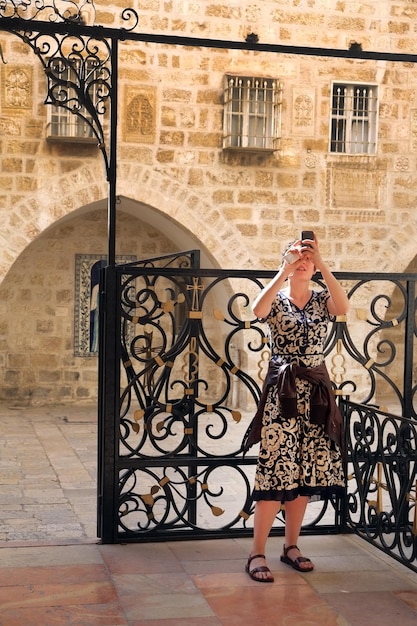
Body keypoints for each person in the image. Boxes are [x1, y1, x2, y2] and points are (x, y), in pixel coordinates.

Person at [244, 232, 349, 582]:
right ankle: (256, 553)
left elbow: (343, 307)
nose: (303, 262)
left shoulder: (322, 299)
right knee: (276, 468)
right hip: (284, 394)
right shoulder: (277, 298)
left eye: (308, 258)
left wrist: (321, 262)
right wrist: (283, 270)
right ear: (287, 262)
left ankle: (291, 546)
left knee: (304, 471)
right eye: (297, 257)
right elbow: (258, 310)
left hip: (316, 394)